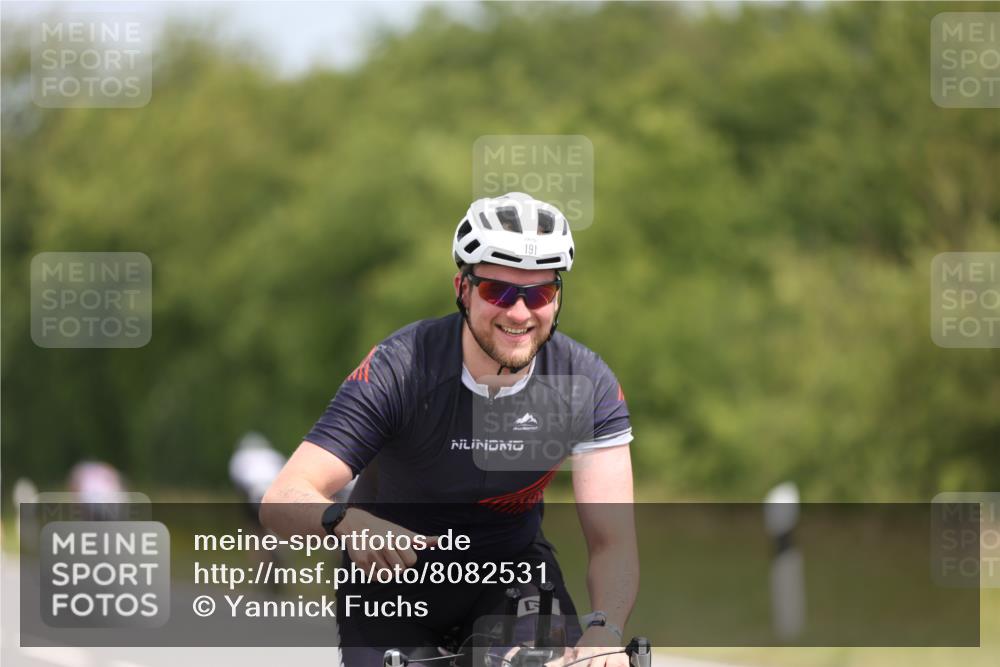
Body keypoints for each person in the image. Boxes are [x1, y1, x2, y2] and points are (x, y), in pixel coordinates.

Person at [261, 192, 638, 667]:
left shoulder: (584, 383)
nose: (519, 313)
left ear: (556, 297)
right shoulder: (402, 368)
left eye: (538, 293)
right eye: (498, 291)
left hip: (513, 574)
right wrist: (342, 520)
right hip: (392, 581)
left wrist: (605, 628)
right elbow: (281, 498)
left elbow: (612, 541)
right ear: (462, 288)